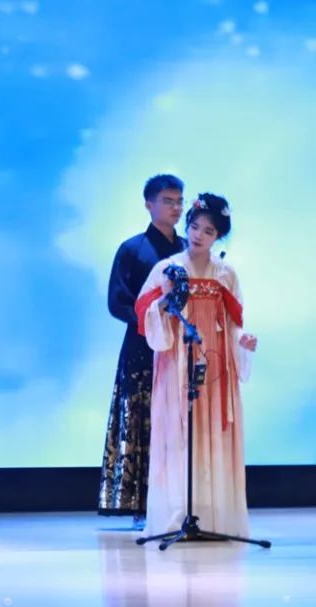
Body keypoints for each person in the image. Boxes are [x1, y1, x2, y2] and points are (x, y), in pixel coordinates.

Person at [136, 193, 256, 538]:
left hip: (215, 366)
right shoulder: (167, 268)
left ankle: (213, 516)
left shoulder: (225, 274)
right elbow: (145, 313)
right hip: (176, 362)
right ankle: (177, 516)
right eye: (194, 227)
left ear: (218, 236)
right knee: (178, 435)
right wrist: (164, 299)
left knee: (211, 434)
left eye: (208, 230)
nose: (199, 235)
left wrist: (243, 340)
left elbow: (232, 323)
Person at [98, 174, 187, 529]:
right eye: (167, 201)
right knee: (144, 420)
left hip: (181, 346)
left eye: (179, 201)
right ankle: (142, 506)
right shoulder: (133, 249)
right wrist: (152, 318)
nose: (175, 207)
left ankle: (181, 501)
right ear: (149, 204)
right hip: (142, 346)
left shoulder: (188, 249)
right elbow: (117, 301)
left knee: (180, 422)